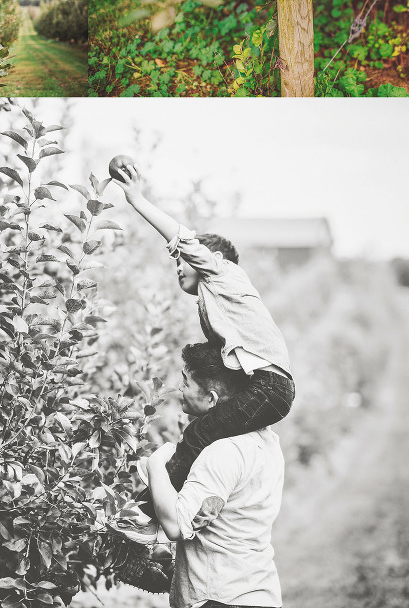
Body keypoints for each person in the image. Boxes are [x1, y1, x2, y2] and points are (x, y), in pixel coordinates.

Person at [109, 160, 294, 551]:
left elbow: (182, 238)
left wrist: (137, 199)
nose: (178, 266)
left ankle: (144, 519)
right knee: (204, 433)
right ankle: (148, 521)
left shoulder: (223, 274)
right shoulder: (217, 303)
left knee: (200, 433)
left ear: (210, 262)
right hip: (268, 387)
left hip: (270, 387)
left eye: (183, 261)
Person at [146, 341, 284, 608]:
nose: (179, 389)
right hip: (260, 592)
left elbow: (176, 524)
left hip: (222, 598)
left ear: (211, 398)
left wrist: (155, 464)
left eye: (186, 382)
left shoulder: (223, 452)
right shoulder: (268, 442)